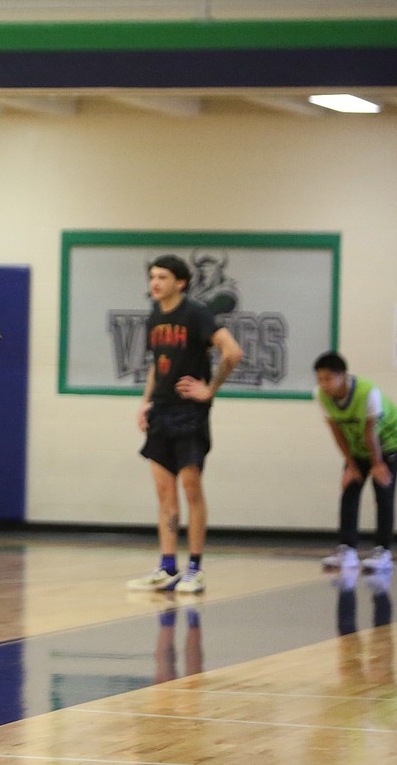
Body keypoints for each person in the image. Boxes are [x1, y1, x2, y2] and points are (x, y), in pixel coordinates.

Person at [127, 255, 242, 595]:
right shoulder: (154, 317)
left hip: (190, 414)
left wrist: (210, 389)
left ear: (180, 282)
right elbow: (155, 366)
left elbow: (232, 351)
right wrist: (146, 402)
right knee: (164, 493)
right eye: (152, 276)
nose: (155, 283)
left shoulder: (196, 313)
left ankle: (195, 567)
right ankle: (166, 567)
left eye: (162, 276)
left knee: (191, 488)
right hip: (161, 411)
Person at [313, 351, 397, 572]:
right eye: (319, 379)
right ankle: (347, 549)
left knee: (383, 490)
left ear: (343, 376)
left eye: (328, 379)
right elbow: (336, 431)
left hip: (388, 443)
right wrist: (351, 466)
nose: (323, 385)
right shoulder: (321, 395)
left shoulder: (368, 392)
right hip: (358, 446)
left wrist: (376, 465)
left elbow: (370, 432)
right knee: (350, 489)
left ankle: (383, 551)